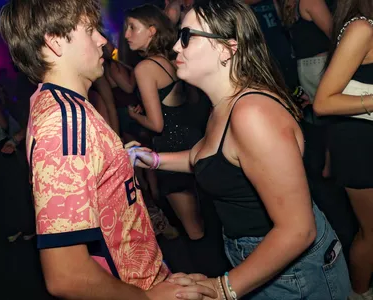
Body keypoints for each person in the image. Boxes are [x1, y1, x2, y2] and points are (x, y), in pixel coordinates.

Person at [130, 1, 351, 299]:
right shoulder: (224, 104)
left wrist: (223, 287)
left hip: (293, 273)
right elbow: (207, 156)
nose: (175, 48)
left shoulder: (252, 113)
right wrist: (152, 159)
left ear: (225, 48)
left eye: (186, 37)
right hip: (257, 257)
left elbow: (299, 230)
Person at [0, 1, 215, 299]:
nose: (102, 40)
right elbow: (67, 275)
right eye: (90, 31)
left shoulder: (62, 105)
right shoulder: (63, 122)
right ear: (55, 41)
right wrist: (148, 297)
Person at [125, 4, 205, 241]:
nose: (127, 35)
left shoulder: (145, 68)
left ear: (151, 31)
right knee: (202, 217)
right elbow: (190, 100)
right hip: (191, 141)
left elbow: (157, 125)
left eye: (132, 27)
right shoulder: (171, 59)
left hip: (170, 148)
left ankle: (206, 275)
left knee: (193, 230)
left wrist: (135, 116)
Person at [313, 1, 373, 299]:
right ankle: (358, 294)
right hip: (360, 144)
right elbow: (322, 103)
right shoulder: (362, 27)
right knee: (371, 232)